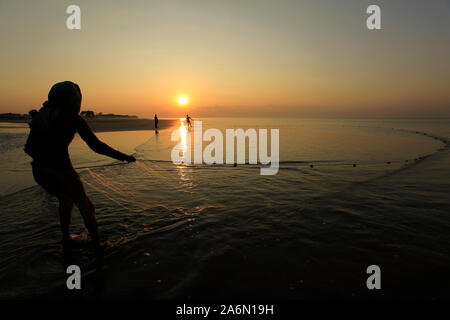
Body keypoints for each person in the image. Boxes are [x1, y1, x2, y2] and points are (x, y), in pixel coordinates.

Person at [24, 81, 136, 251]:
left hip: (39, 171)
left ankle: (66, 239)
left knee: (65, 199)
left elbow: (29, 149)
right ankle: (97, 245)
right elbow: (97, 146)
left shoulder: (41, 116)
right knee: (86, 206)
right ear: (75, 99)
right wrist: (124, 157)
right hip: (62, 170)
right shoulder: (73, 118)